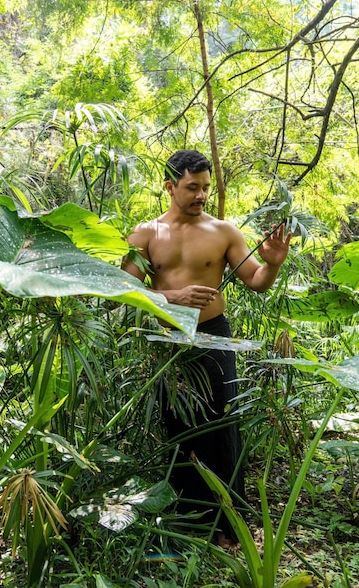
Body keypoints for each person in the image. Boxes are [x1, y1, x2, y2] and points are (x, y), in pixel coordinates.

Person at [122, 149, 291, 546]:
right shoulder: (145, 234)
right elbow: (123, 290)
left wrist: (274, 264)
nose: (201, 196)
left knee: (221, 426)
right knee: (178, 428)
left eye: (205, 189)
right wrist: (172, 297)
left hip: (214, 336)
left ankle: (229, 526)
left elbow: (256, 281)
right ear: (170, 186)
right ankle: (187, 523)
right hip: (168, 344)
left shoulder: (224, 232)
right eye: (192, 188)